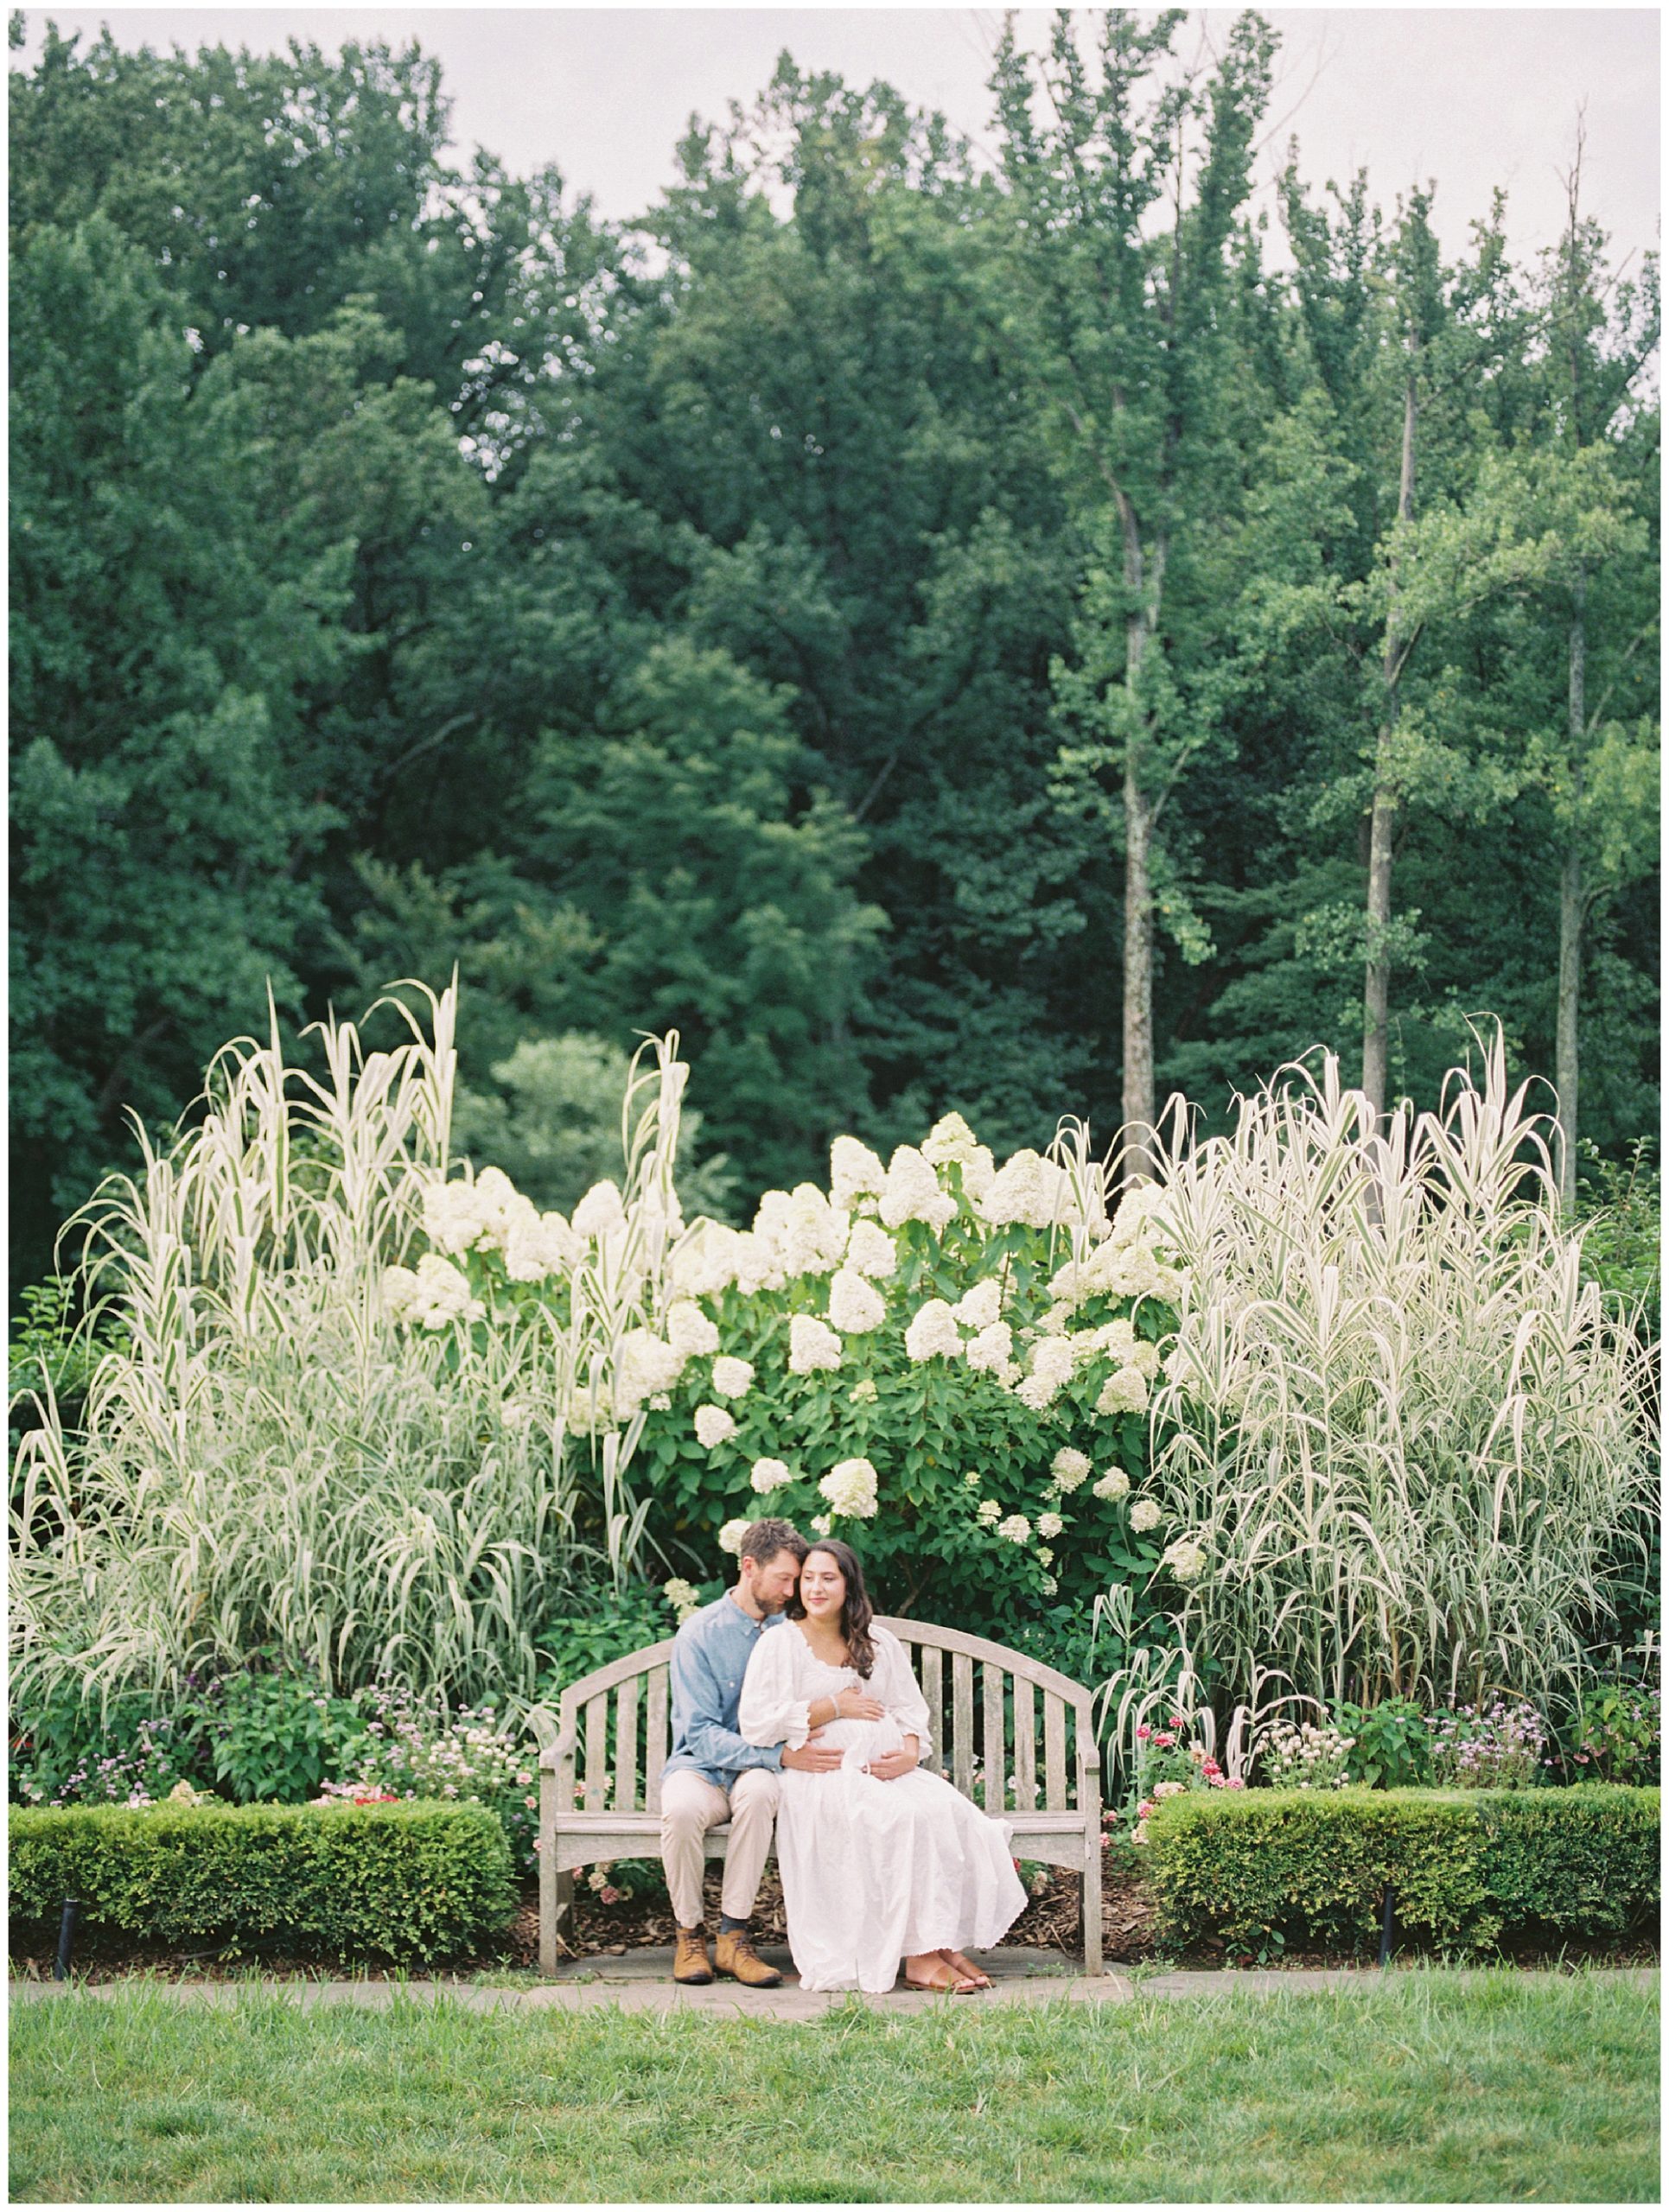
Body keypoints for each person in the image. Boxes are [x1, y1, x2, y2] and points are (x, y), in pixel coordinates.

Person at [737, 1536, 1029, 1994]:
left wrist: (910, 1751)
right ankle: (919, 1958)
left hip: (885, 1771)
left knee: (946, 1815)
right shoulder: (781, 1644)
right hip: (824, 1775)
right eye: (808, 1578)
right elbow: (758, 1722)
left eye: (828, 1578)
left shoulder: (877, 1642)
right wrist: (835, 1706)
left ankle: (940, 1941)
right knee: (899, 1819)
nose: (815, 1588)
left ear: (849, 1585)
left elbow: (909, 1709)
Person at [659, 1516, 844, 1987]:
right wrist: (776, 1756)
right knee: (679, 1809)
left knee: (762, 1794)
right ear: (748, 1567)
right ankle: (688, 1936)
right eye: (784, 1578)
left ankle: (733, 1937)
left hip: (754, 1777)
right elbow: (699, 1734)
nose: (791, 1591)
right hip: (702, 1768)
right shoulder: (700, 1634)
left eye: (795, 1579)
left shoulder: (794, 1630)